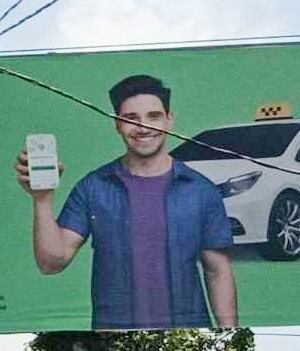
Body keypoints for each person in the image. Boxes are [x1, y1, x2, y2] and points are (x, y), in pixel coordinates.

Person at [16, 73, 238, 330]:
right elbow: (51, 263)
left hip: (188, 337)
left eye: (153, 116)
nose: (144, 127)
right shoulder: (93, 187)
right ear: (117, 124)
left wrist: (228, 337)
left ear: (169, 120)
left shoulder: (201, 190)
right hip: (116, 343)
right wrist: (42, 199)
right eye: (131, 118)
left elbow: (218, 272)